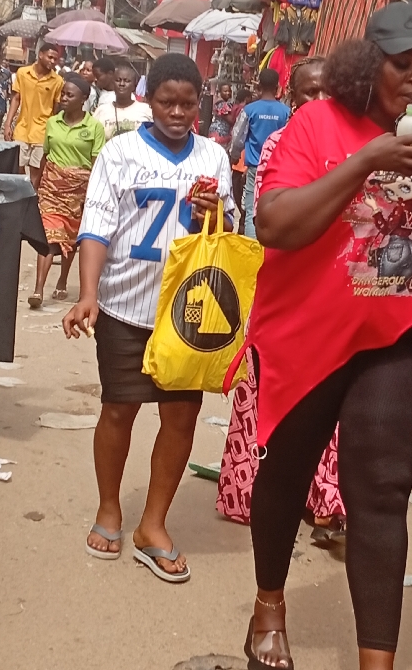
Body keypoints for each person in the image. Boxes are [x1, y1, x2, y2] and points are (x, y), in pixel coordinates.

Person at [241, 3, 412, 670]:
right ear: (369, 66)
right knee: (286, 475)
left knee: (381, 490)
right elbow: (275, 224)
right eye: (402, 65)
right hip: (308, 333)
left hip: (396, 336)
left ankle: (378, 669)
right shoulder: (318, 123)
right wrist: (367, 159)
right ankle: (268, 607)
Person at [62, 54, 235, 584]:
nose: (177, 113)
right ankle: (109, 508)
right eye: (166, 102)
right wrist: (87, 294)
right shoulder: (119, 153)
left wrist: (214, 211)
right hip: (124, 307)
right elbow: (96, 227)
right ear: (148, 100)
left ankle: (153, 525)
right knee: (119, 410)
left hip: (188, 313)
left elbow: (228, 227)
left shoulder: (214, 156)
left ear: (199, 103)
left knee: (180, 418)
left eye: (187, 103)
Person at [218, 57, 344, 529]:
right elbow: (275, 220)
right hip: (285, 285)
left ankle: (324, 498)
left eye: (327, 92)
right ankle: (250, 489)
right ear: (292, 98)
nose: (319, 101)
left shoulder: (352, 145)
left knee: (328, 396)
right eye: (309, 92)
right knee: (268, 388)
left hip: (334, 290)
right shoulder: (279, 144)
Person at [28, 75, 105, 308]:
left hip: (78, 192)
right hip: (51, 188)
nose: (64, 98)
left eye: (70, 95)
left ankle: (62, 280)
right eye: (63, 94)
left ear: (83, 99)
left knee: (70, 238)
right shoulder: (53, 123)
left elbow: (96, 164)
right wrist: (35, 184)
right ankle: (38, 290)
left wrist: (93, 194)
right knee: (49, 236)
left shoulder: (94, 128)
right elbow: (46, 155)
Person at [230, 68, 290, 239]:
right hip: (277, 169)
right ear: (277, 87)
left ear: (258, 87)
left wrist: (234, 155)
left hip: (254, 168)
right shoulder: (285, 111)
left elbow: (238, 137)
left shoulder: (250, 110)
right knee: (274, 208)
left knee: (251, 210)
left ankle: (252, 248)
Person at [4, 41, 63, 189]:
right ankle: (22, 191)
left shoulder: (57, 81)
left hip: (42, 131)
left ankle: (31, 195)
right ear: (40, 55)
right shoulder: (23, 73)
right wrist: (8, 124)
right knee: (17, 165)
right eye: (50, 57)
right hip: (22, 128)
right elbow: (16, 99)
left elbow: (56, 109)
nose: (52, 61)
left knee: (36, 169)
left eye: (55, 59)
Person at [93, 61, 152, 141]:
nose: (122, 84)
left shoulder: (147, 110)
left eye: (127, 81)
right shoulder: (101, 111)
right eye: (118, 80)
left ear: (134, 85)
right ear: (113, 83)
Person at [230, 88, 253, 233]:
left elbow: (237, 135)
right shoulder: (247, 111)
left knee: (240, 197)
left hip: (242, 163)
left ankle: (242, 227)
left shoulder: (247, 112)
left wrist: (233, 153)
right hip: (247, 163)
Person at [208, 82, 234, 148]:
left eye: (229, 91)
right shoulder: (222, 104)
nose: (228, 93)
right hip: (220, 133)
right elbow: (231, 120)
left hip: (218, 133)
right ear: (220, 92)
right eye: (225, 91)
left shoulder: (220, 103)